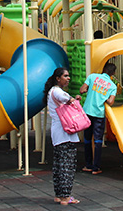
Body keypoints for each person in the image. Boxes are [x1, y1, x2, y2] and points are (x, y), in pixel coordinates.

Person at [44, 67, 80, 205]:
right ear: (58, 78)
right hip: (65, 132)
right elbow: (67, 99)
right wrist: (74, 99)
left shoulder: (52, 92)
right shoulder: (57, 91)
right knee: (67, 165)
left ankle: (59, 194)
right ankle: (66, 196)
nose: (68, 78)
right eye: (65, 76)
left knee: (59, 165)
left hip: (58, 132)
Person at [79, 62, 117, 175]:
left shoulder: (92, 77)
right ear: (113, 73)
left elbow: (82, 90)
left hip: (87, 111)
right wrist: (103, 97)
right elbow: (110, 102)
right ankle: (96, 167)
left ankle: (88, 165)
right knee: (98, 140)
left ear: (103, 69)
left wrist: (89, 90)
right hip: (99, 114)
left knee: (87, 138)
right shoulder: (112, 86)